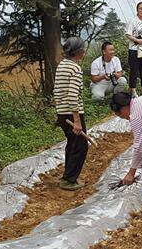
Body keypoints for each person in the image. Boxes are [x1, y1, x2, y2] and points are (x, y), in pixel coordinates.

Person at [54, 37, 88, 190]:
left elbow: (57, 91)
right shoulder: (75, 68)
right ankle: (68, 179)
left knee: (73, 144)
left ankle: (69, 177)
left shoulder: (62, 65)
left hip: (63, 112)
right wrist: (77, 120)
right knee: (80, 146)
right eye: (83, 48)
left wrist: (59, 112)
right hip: (72, 113)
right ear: (79, 51)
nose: (84, 51)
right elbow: (72, 95)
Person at [126, 2, 142, 97]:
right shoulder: (133, 21)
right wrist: (137, 40)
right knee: (134, 71)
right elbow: (128, 34)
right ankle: (133, 90)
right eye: (140, 8)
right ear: (137, 10)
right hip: (134, 49)